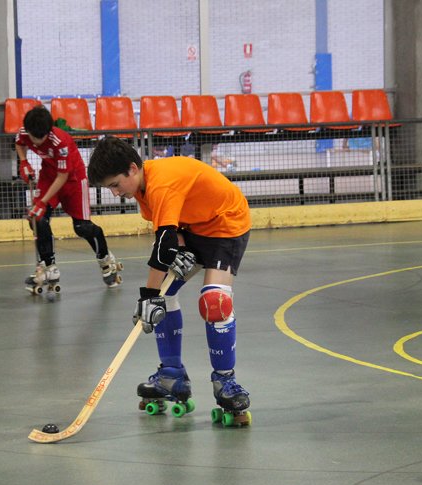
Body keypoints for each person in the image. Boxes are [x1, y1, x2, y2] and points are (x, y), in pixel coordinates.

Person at [87, 136, 252, 424]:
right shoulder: (142, 189)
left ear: (132, 169)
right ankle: (171, 375)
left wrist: (148, 296)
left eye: (115, 184)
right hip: (193, 229)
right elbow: (170, 234)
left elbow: (162, 247)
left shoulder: (162, 183)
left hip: (225, 226)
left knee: (214, 301)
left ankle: (225, 381)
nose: (114, 193)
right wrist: (179, 250)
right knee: (163, 297)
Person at [15, 106, 121, 291]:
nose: (37, 142)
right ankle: (49, 266)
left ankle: (105, 258)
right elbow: (19, 143)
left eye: (41, 138)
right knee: (38, 219)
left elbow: (62, 176)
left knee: (82, 227)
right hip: (49, 176)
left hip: (73, 180)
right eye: (34, 138)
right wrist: (24, 161)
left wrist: (42, 202)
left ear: (48, 132)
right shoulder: (25, 131)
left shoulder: (60, 142)